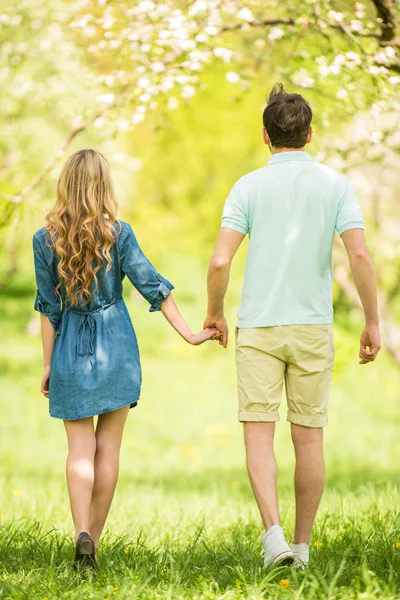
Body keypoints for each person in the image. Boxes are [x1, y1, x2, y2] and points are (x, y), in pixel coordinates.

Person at [204, 84, 380, 568]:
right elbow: (359, 253)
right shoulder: (335, 185)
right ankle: (301, 549)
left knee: (259, 434)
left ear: (265, 135)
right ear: (309, 133)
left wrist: (215, 312)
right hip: (312, 326)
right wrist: (372, 320)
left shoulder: (247, 187)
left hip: (259, 328)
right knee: (309, 437)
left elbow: (221, 260)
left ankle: (273, 539)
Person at [33, 149, 219, 571]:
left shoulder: (44, 239)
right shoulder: (119, 234)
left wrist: (48, 364)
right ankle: (92, 545)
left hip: (70, 352)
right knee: (108, 451)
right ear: (104, 185)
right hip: (117, 348)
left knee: (79, 450)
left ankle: (81, 530)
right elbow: (153, 286)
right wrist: (190, 334)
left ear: (65, 184)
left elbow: (48, 307)